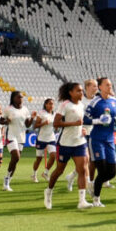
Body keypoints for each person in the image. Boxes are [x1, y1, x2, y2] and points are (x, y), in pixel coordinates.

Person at [44, 82, 91, 210]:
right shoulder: (65, 105)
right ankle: (48, 192)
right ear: (71, 93)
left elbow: (80, 123)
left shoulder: (82, 105)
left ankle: (82, 201)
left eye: (82, 91)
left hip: (79, 142)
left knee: (82, 170)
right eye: (78, 91)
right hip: (65, 143)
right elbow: (56, 123)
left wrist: (82, 129)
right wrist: (74, 124)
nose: (81, 93)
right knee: (59, 170)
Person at [84, 77, 116, 207]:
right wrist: (98, 121)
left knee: (112, 172)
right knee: (102, 170)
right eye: (107, 85)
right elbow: (85, 120)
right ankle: (96, 199)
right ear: (100, 87)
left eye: (110, 84)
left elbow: (114, 117)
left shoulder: (114, 101)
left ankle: (93, 185)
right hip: (97, 139)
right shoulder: (94, 102)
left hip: (109, 139)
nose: (110, 87)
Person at [67, 79, 99, 192]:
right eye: (94, 86)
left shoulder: (97, 100)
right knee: (87, 160)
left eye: (97, 86)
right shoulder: (81, 101)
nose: (96, 88)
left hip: (95, 132)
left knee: (90, 161)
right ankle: (89, 185)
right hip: (83, 133)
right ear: (87, 87)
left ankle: (71, 177)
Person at [1, 90, 35, 191]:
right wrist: (7, 121)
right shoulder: (8, 109)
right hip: (11, 136)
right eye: (19, 97)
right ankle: (6, 180)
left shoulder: (25, 110)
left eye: (22, 97)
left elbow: (28, 124)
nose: (21, 99)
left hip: (21, 137)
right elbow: (0, 121)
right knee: (16, 156)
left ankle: (7, 180)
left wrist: (32, 117)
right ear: (13, 98)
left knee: (16, 160)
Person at [32, 98, 56, 182]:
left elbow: (55, 126)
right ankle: (34, 174)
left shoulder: (54, 114)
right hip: (41, 138)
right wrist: (43, 123)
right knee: (39, 159)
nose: (51, 105)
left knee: (53, 156)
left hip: (51, 138)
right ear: (45, 105)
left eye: (52, 104)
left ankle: (45, 173)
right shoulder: (41, 113)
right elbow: (35, 126)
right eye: (49, 104)